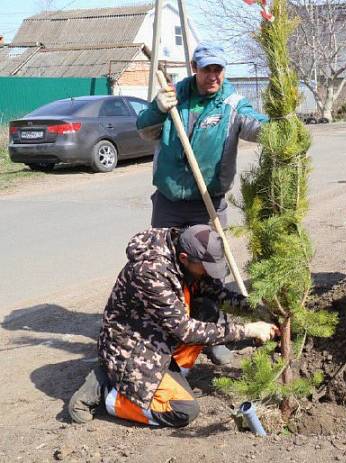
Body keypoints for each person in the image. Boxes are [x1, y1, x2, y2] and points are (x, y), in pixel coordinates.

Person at [68, 225, 279, 427]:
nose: (208, 273)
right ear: (184, 258)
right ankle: (109, 391)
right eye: (205, 268)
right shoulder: (151, 272)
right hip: (132, 346)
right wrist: (247, 330)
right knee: (184, 410)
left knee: (206, 308)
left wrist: (253, 308)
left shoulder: (183, 252)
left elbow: (216, 292)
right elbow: (185, 331)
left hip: (159, 336)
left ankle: (172, 374)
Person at [137, 42, 268, 365]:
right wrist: (157, 108)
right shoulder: (174, 95)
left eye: (219, 69)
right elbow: (144, 130)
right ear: (194, 67)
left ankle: (212, 336)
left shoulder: (231, 103)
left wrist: (282, 127)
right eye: (207, 69)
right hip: (168, 200)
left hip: (207, 201)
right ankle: (172, 331)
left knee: (211, 271)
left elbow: (256, 126)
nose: (214, 76)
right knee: (166, 267)